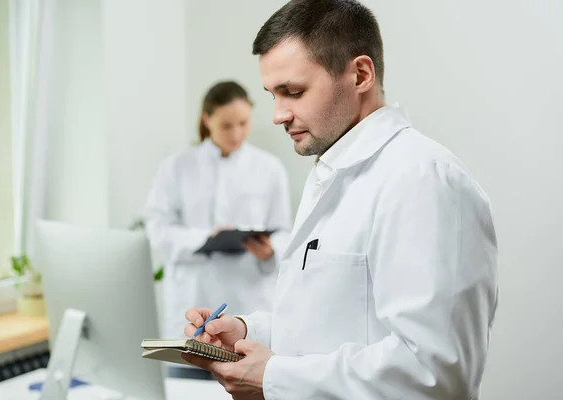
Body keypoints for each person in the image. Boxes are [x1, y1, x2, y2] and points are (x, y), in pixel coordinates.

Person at [183, 1, 499, 398]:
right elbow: (329, 326)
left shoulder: (425, 180)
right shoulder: (332, 173)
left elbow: (435, 374)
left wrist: (274, 376)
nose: (278, 115)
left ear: (360, 74)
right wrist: (249, 331)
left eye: (293, 92)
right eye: (273, 95)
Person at [144, 80, 292, 379]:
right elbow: (157, 229)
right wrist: (204, 239)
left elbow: (284, 231)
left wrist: (270, 249)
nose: (236, 134)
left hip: (248, 306)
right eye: (226, 125)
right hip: (192, 306)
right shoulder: (176, 167)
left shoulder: (270, 168)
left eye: (243, 123)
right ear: (206, 119)